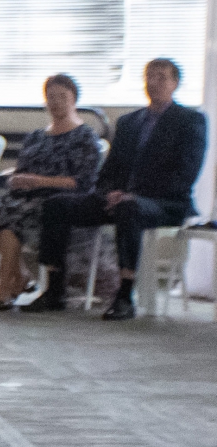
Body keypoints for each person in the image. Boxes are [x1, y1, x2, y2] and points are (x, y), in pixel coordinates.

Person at [23, 58, 208, 321]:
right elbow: (110, 170)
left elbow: (185, 173)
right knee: (57, 205)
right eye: (149, 76)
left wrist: (134, 194)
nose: (153, 83)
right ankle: (55, 288)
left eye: (161, 77)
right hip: (119, 198)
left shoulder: (190, 120)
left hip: (166, 201)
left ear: (175, 83)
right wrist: (108, 192)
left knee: (129, 208)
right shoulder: (129, 122)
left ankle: (124, 295)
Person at [0, 74, 101, 310]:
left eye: (62, 97)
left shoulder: (84, 137)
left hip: (57, 200)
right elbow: (23, 169)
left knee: (10, 221)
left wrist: (39, 181)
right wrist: (18, 179)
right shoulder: (36, 136)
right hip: (25, 197)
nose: (56, 102)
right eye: (51, 97)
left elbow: (83, 182)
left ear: (74, 99)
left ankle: (5, 290)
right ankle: (20, 276)